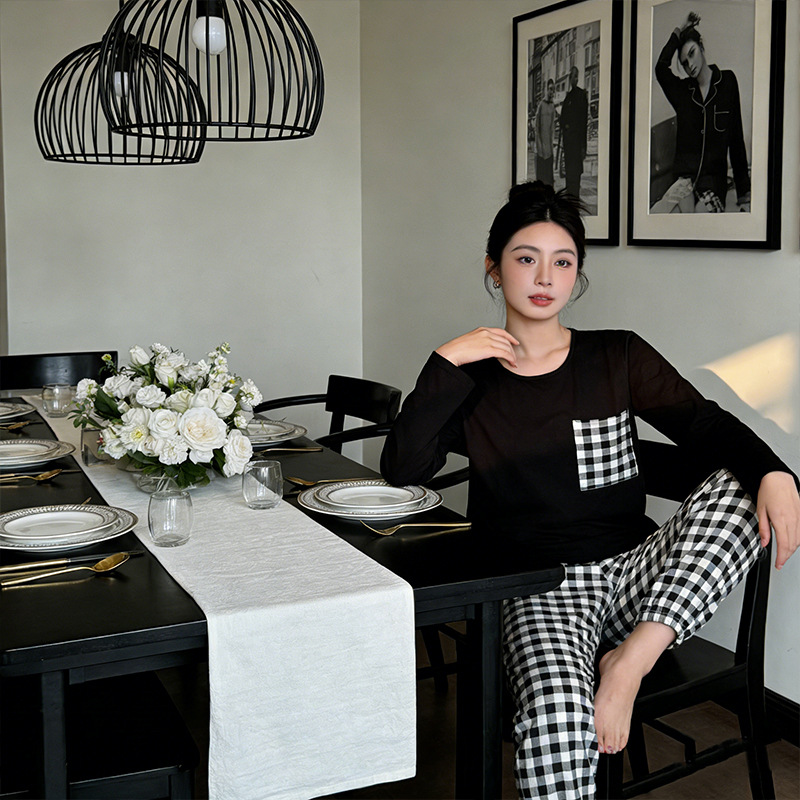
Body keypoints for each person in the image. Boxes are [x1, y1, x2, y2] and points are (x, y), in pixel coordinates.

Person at [380, 182, 800, 799]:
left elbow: (704, 425)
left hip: (636, 578)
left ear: (577, 274)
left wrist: (775, 472)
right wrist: (444, 362)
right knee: (557, 719)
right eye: (526, 258)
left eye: (562, 261)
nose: (543, 277)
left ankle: (629, 662)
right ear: (494, 268)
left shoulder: (616, 355)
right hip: (539, 588)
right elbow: (403, 470)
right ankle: (609, 674)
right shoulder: (471, 380)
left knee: (744, 485)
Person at [652, 11, 750, 213]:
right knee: (668, 217)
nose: (690, 65)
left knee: (699, 218)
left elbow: (736, 139)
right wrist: (679, 30)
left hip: (713, 182)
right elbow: (660, 69)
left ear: (701, 47)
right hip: (684, 181)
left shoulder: (727, 82)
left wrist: (744, 195)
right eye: (684, 63)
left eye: (692, 53)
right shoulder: (682, 92)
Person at [559, 66, 587, 199]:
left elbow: (583, 122)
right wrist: (566, 127)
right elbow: (562, 119)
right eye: (573, 76)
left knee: (576, 175)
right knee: (569, 175)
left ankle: (574, 199)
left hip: (577, 143)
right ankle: (570, 198)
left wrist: (583, 147)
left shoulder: (581, 95)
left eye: (577, 76)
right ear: (570, 79)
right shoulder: (568, 97)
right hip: (569, 144)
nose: (575, 79)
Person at [534, 78, 557, 186]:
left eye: (553, 90)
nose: (552, 92)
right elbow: (537, 127)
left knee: (549, 182)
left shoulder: (552, 106)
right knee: (541, 182)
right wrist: (539, 147)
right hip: (541, 151)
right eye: (550, 89)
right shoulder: (541, 105)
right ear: (546, 89)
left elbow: (552, 128)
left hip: (549, 151)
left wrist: (551, 147)